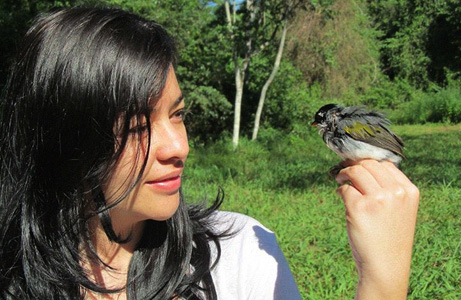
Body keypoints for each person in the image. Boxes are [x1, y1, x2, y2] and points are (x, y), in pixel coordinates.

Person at [0, 7, 419, 300]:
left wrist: (383, 282)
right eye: (136, 127)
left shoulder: (240, 254)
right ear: (63, 141)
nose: (179, 148)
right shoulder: (12, 270)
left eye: (178, 114)